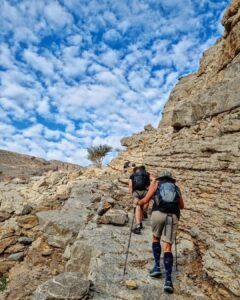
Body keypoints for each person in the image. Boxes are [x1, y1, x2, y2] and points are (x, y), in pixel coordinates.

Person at [133, 170, 184, 294]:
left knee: (156, 238)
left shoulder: (156, 184)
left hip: (158, 214)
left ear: (161, 177)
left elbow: (145, 200)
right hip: (173, 216)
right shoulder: (176, 188)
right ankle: (168, 281)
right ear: (171, 178)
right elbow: (182, 206)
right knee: (167, 247)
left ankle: (156, 267)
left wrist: (138, 203)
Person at [129, 165, 150, 234]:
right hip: (145, 192)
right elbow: (148, 186)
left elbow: (130, 186)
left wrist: (131, 194)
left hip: (136, 192)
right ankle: (142, 217)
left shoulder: (133, 175)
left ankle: (138, 225)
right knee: (142, 205)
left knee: (137, 206)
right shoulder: (146, 174)